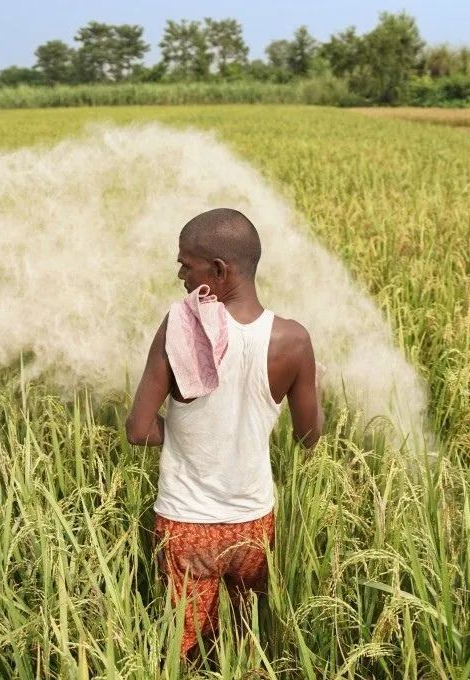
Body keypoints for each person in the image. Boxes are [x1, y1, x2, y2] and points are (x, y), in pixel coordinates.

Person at [125, 208, 324, 662]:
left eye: (186, 263)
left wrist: (183, 432)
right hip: (253, 524)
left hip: (186, 526)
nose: (179, 272)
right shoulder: (294, 340)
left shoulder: (179, 327)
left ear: (218, 270)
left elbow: (137, 430)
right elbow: (309, 436)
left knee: (185, 649)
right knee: (244, 642)